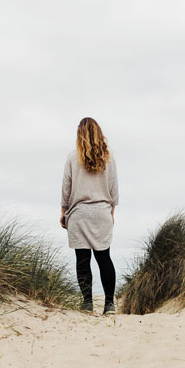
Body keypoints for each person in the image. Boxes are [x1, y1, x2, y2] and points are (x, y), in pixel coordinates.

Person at [60, 117, 118, 315]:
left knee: (82, 260)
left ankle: (87, 303)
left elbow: (66, 187)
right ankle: (109, 304)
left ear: (79, 135)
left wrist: (63, 211)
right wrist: (111, 212)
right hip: (102, 213)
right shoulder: (109, 158)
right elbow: (113, 189)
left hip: (79, 213)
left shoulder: (71, 157)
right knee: (104, 259)